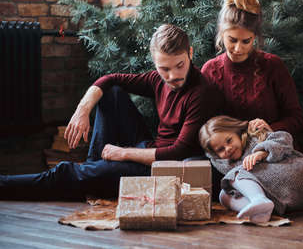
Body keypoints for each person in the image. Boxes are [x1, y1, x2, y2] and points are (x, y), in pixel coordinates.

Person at [0, 24, 218, 200]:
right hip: (149, 149)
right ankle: (94, 171)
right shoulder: (156, 79)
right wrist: (82, 110)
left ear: (190, 53)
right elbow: (109, 79)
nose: (172, 76)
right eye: (164, 69)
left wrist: (123, 153)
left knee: (65, 173)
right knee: (111, 92)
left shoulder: (201, 92)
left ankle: (6, 185)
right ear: (155, 62)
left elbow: (177, 153)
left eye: (179, 65)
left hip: (164, 169)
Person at [201, 0, 303, 153]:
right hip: (229, 155)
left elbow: (296, 118)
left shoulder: (273, 66)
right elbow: (206, 126)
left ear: (255, 37)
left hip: (272, 150)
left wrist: (270, 128)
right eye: (232, 40)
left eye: (246, 41)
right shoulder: (210, 71)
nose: (238, 48)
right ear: (221, 32)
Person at [199, 115, 303, 224]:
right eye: (220, 149)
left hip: (293, 177)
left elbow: (285, 139)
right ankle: (262, 210)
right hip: (280, 199)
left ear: (237, 132)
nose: (228, 149)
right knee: (224, 196)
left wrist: (262, 152)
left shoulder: (254, 135)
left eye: (229, 140)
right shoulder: (224, 162)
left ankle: (259, 200)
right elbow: (211, 156)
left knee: (234, 174)